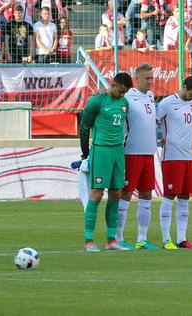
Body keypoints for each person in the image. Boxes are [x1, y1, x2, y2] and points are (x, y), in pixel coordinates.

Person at [79, 73, 134, 252]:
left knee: (116, 194)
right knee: (96, 194)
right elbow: (85, 126)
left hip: (118, 152)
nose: (122, 95)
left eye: (125, 93)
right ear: (113, 84)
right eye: (120, 91)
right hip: (101, 150)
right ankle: (88, 241)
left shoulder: (124, 103)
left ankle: (111, 241)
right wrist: (85, 153)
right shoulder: (97, 101)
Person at [156, 76, 192, 250]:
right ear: (184, 87)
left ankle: (182, 239)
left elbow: (190, 126)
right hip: (171, 156)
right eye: (191, 93)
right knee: (169, 196)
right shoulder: (167, 103)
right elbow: (153, 121)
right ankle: (166, 239)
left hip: (188, 156)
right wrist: (159, 138)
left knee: (184, 197)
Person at [117, 63, 158, 251]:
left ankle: (142, 238)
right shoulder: (127, 98)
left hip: (149, 153)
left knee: (146, 195)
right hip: (131, 154)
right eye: (147, 78)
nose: (150, 81)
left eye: (152, 77)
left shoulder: (150, 96)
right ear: (137, 78)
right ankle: (118, 238)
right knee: (125, 194)